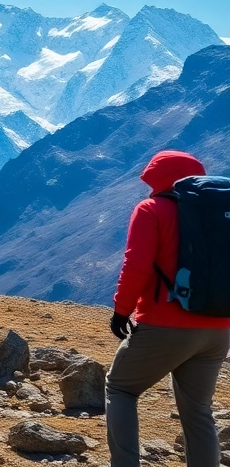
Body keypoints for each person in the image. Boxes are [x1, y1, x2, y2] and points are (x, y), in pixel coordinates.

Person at [106, 151, 230, 467]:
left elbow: (136, 265)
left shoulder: (151, 209)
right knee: (198, 409)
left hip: (165, 323)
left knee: (120, 389)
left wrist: (122, 310)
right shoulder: (219, 213)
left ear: (159, 179)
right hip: (218, 328)